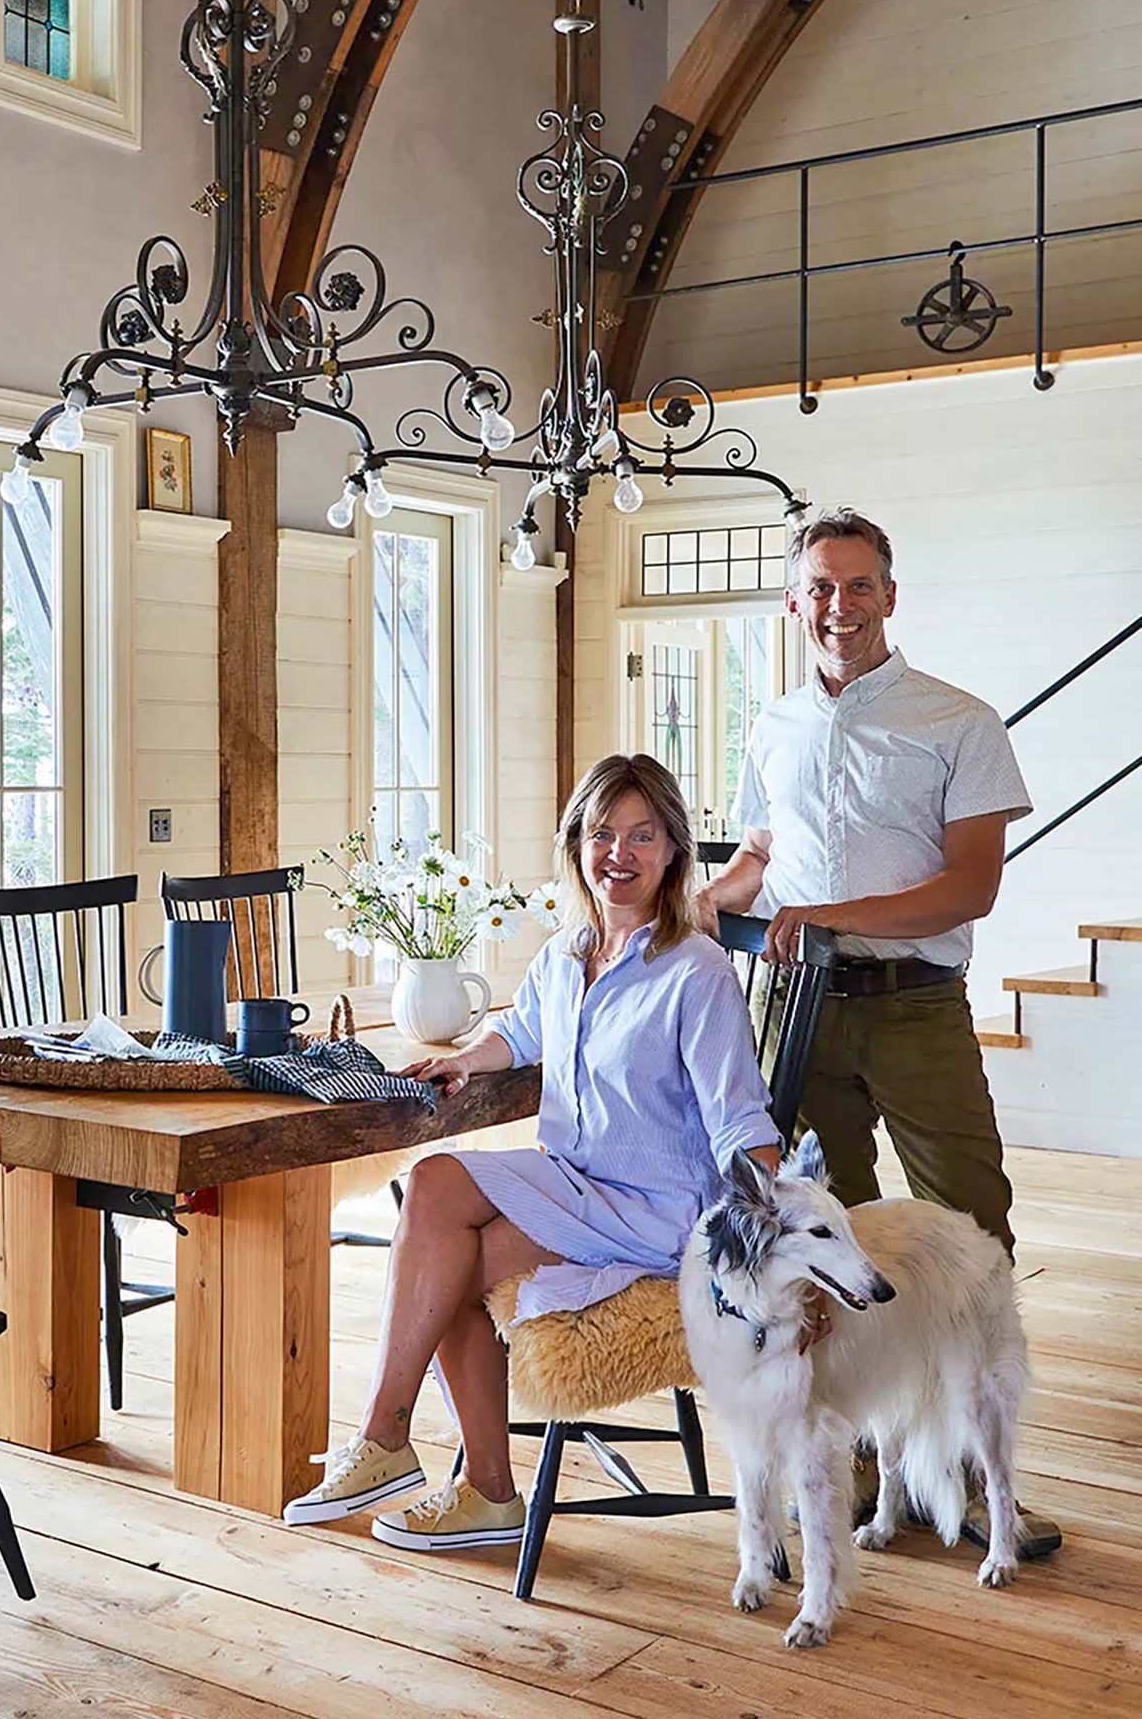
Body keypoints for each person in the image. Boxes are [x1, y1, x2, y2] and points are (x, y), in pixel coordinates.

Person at [284, 753, 783, 1548]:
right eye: (600, 833)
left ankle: (443, 1468)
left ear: (673, 853)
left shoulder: (697, 971)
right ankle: (417, 1458)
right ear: (576, 845)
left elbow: (737, 1119)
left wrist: (777, 1231)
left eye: (641, 836)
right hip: (573, 1183)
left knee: (441, 1266)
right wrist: (465, 1058)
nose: (617, 853)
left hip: (654, 1212)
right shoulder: (565, 952)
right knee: (435, 1186)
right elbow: (522, 1033)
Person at [699, 504, 1059, 1558]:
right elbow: (762, 858)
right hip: (799, 1010)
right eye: (819, 586)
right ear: (791, 600)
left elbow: (970, 888)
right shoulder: (770, 725)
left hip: (914, 1007)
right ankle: (856, 1466)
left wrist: (832, 916)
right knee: (827, 1235)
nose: (839, 606)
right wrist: (688, 910)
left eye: (858, 585)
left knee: (972, 1229)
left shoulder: (960, 720)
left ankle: (991, 1481)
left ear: (891, 596)